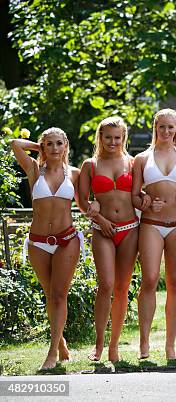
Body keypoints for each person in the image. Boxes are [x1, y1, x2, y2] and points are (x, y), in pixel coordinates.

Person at [11, 128, 82, 370]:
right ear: (43, 147)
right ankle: (60, 340)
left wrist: (95, 210)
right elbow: (14, 143)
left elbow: (84, 204)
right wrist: (37, 148)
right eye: (48, 144)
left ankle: (52, 352)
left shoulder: (74, 173)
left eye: (58, 144)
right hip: (38, 241)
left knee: (59, 294)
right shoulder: (34, 170)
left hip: (66, 239)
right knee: (49, 294)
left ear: (66, 146)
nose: (54, 148)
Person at [131, 108, 176, 360]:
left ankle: (170, 344)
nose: (166, 132)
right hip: (151, 224)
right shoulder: (142, 158)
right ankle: (144, 342)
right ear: (155, 129)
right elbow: (135, 195)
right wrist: (146, 202)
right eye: (161, 127)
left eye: (171, 127)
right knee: (149, 279)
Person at [78, 117, 139, 362]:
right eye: (108, 137)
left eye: (117, 137)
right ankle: (99, 343)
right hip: (101, 230)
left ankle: (115, 346)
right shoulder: (90, 165)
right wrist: (99, 218)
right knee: (105, 285)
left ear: (123, 138)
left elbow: (138, 194)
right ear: (100, 138)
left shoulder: (133, 163)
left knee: (122, 288)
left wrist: (146, 199)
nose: (113, 142)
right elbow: (82, 200)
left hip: (129, 228)